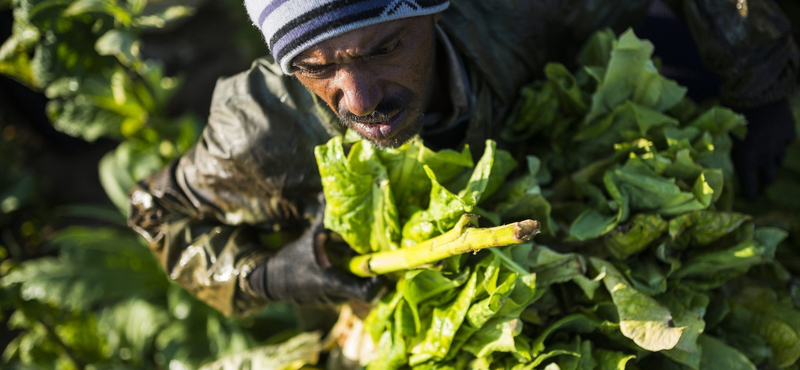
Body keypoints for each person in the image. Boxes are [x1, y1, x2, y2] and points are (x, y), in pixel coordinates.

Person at [128, 0, 799, 318]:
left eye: (385, 47)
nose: (358, 99)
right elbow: (154, 214)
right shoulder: (264, 126)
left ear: (433, 14)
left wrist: (762, 84)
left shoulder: (516, 9)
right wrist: (270, 275)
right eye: (316, 67)